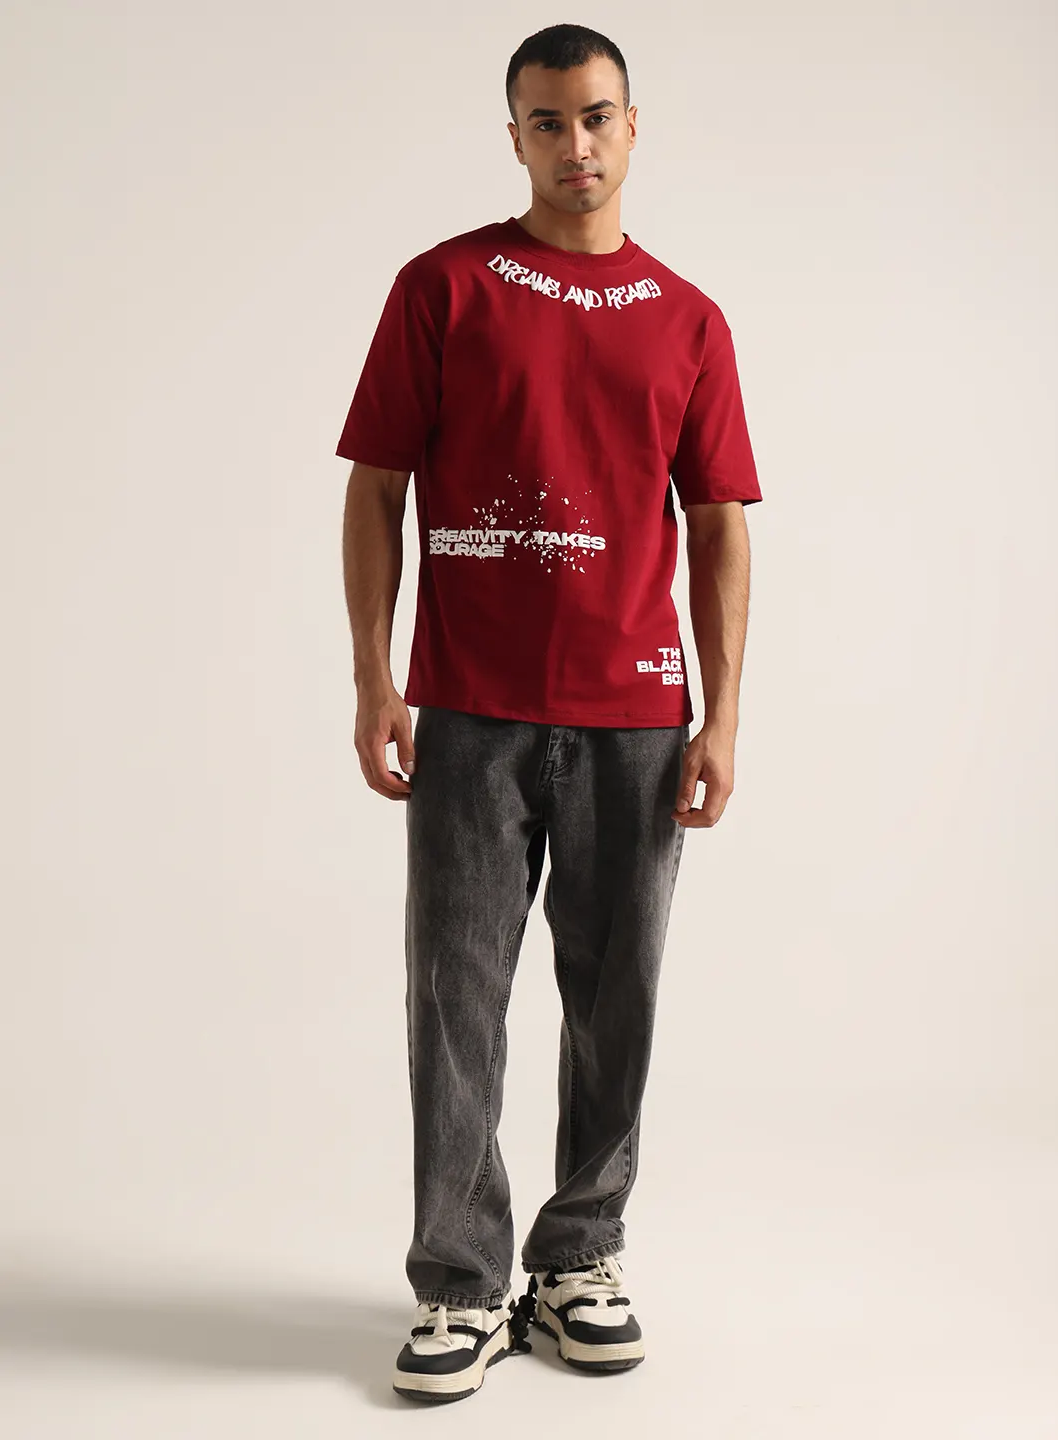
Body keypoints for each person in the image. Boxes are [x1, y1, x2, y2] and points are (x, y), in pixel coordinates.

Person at [336, 23, 763, 1405]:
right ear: (513, 134)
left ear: (634, 125)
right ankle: (462, 1282)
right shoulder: (445, 288)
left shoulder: (688, 320)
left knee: (615, 998)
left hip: (636, 718)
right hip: (471, 710)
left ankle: (579, 1258)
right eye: (546, 121)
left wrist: (721, 716)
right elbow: (377, 486)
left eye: (595, 117)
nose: (574, 145)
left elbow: (719, 523)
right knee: (454, 997)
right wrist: (375, 678)